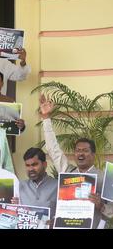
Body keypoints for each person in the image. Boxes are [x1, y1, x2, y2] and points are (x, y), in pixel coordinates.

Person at [40, 94, 113, 228]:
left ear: (93, 154)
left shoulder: (104, 177)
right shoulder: (68, 172)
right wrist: (46, 118)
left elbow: (111, 212)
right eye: (78, 150)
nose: (80, 153)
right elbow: (53, 149)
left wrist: (101, 205)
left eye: (85, 150)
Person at [11, 148, 57, 220]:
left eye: (34, 164)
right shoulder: (20, 186)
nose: (31, 169)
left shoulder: (57, 186)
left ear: (45, 164)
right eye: (27, 165)